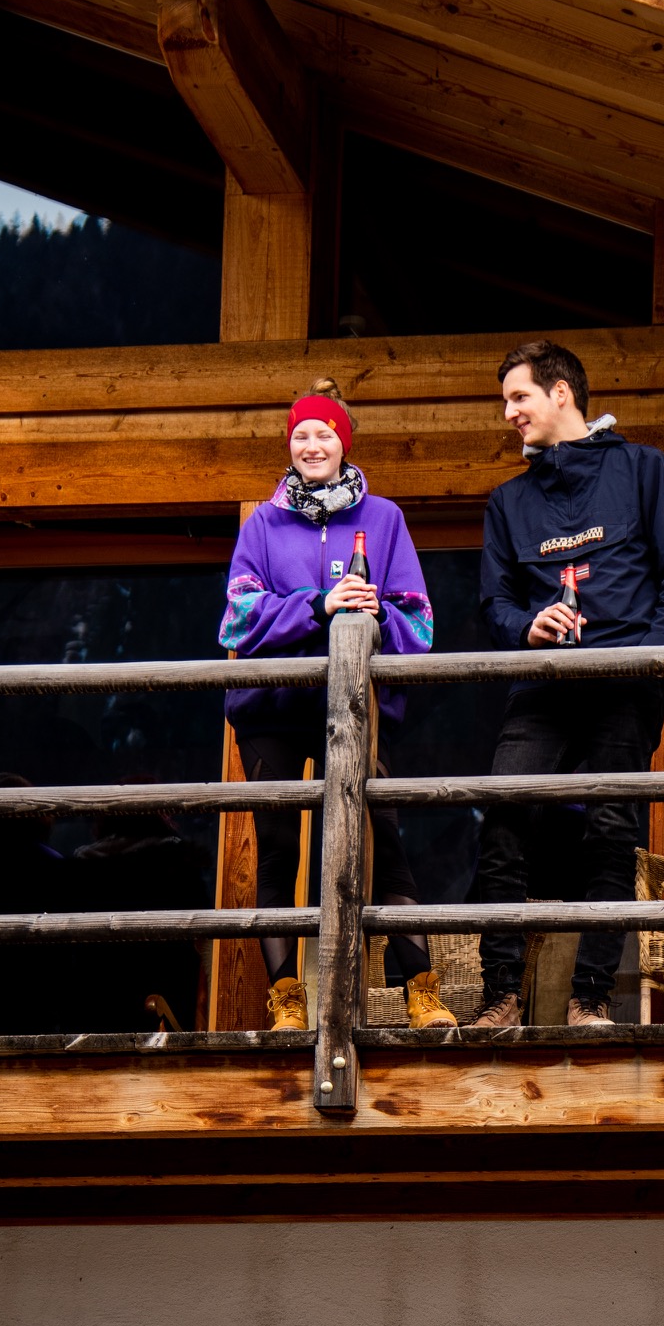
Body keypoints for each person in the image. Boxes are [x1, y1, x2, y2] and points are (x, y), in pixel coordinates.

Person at [471, 339, 664, 1029]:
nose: (509, 413)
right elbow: (494, 603)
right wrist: (528, 626)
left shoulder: (642, 468)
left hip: (624, 685)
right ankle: (500, 996)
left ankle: (591, 999)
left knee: (609, 829)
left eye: (519, 396)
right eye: (506, 401)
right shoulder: (508, 501)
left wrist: (646, 664)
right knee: (504, 820)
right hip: (542, 686)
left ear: (561, 393)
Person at [219, 381, 453, 1031]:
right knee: (276, 852)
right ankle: (287, 1001)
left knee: (385, 842)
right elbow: (236, 619)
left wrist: (379, 614)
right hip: (270, 708)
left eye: (324, 434)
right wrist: (317, 606)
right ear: (289, 447)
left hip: (352, 709)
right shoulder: (262, 524)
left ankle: (421, 992)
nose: (312, 445)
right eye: (301, 435)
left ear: (343, 443)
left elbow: (420, 624)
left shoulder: (384, 518)